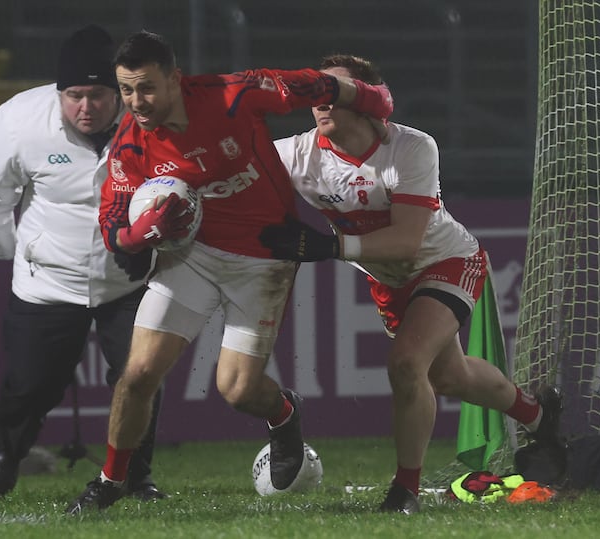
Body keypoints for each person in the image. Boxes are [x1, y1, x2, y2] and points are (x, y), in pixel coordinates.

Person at [65, 30, 394, 513]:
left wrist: (374, 98)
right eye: (128, 90)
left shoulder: (233, 94)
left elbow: (314, 86)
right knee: (136, 374)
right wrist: (144, 234)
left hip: (262, 258)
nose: (137, 101)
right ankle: (111, 480)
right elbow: (113, 226)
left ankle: (283, 414)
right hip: (190, 257)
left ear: (175, 79)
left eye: (148, 88)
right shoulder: (130, 146)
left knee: (237, 391)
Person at [260, 54, 563, 514]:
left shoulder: (413, 147)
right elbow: (235, 166)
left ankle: (404, 491)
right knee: (448, 375)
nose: (319, 101)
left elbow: (405, 242)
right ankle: (538, 412)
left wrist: (326, 246)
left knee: (406, 364)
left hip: (446, 260)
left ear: (363, 100)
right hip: (389, 281)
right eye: (314, 92)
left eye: (331, 91)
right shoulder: (298, 154)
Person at [0, 24, 164, 500]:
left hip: (129, 279)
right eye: (73, 94)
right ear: (59, 92)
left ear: (118, 91)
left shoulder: (154, 119)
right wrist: (23, 257)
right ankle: (7, 454)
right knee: (31, 385)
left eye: (97, 94)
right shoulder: (18, 122)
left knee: (139, 380)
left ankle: (134, 475)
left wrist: (160, 250)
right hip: (47, 283)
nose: (85, 107)